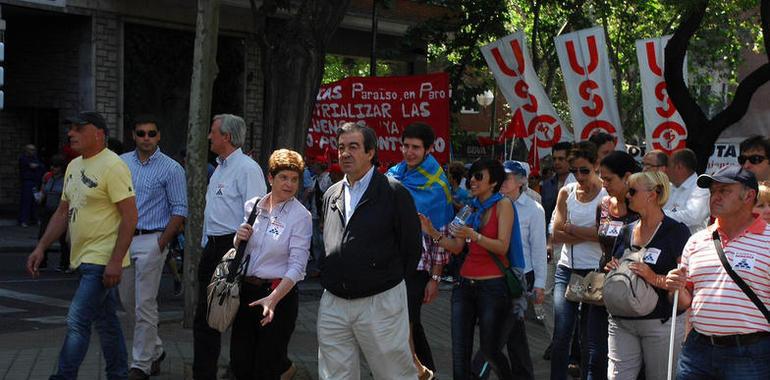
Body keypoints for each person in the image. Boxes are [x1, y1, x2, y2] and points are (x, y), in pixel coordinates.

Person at [26, 111, 138, 379]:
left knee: (77, 321)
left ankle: (62, 376)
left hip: (101, 260)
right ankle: (119, 374)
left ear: (98, 133)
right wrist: (41, 246)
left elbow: (130, 216)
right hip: (82, 257)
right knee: (107, 322)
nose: (70, 133)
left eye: (78, 128)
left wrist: (115, 260)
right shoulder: (74, 166)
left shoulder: (113, 166)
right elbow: (63, 212)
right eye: (70, 129)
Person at [317, 122, 422, 380]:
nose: (345, 153)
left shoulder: (394, 192)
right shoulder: (331, 194)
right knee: (334, 376)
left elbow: (411, 249)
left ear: (371, 152)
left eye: (353, 147)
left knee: (394, 374)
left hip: (380, 302)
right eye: (341, 147)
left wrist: (382, 278)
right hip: (333, 302)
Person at [666, 166, 770, 379]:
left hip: (750, 353)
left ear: (749, 195)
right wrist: (675, 287)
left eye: (724, 191)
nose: (715, 196)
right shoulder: (696, 241)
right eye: (713, 191)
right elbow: (685, 301)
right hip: (698, 350)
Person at [421, 158, 516, 379]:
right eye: (471, 176)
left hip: (492, 286)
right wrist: (433, 232)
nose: (472, 181)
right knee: (459, 350)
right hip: (464, 285)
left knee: (490, 349)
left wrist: (474, 235)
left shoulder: (503, 205)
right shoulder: (469, 207)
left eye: (478, 176)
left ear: (493, 182)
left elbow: (502, 246)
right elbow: (456, 247)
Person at [193, 114, 267, 380]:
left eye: (213, 132)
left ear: (226, 136)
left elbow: (258, 214)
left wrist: (246, 256)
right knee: (206, 318)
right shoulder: (219, 169)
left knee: (232, 316)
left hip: (233, 247)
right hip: (212, 247)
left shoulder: (247, 168)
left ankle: (248, 369)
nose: (209, 137)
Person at [230, 149, 312, 379]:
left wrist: (273, 298)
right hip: (246, 293)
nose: (289, 184)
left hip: (278, 295)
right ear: (270, 178)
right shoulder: (252, 206)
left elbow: (298, 266)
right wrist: (238, 238)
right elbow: (241, 249)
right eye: (283, 177)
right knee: (240, 362)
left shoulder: (301, 216)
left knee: (266, 367)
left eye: (294, 179)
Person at [119, 116, 187, 380]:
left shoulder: (171, 169)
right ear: (133, 135)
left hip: (152, 239)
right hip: (124, 239)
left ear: (158, 136)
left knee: (144, 303)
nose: (146, 138)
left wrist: (161, 243)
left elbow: (180, 209)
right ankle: (156, 349)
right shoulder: (121, 163)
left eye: (151, 133)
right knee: (127, 300)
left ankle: (141, 364)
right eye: (141, 133)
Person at [604, 171, 691, 380]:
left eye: (632, 191)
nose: (627, 196)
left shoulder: (676, 231)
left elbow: (685, 285)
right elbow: (613, 263)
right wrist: (613, 268)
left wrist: (653, 278)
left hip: (660, 323)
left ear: (652, 195)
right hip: (621, 319)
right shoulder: (626, 230)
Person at [386, 122, 453, 380]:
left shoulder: (438, 185)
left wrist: (435, 279)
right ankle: (425, 370)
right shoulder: (393, 176)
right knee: (408, 321)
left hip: (418, 266)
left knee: (406, 320)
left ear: (428, 149)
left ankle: (415, 372)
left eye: (416, 147)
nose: (409, 152)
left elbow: (442, 236)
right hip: (390, 262)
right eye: (405, 146)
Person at [551, 141, 609, 380]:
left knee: (589, 336)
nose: (579, 175)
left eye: (584, 170)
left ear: (596, 165)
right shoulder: (567, 191)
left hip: (594, 271)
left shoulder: (606, 195)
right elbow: (555, 233)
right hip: (567, 269)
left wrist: (572, 229)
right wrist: (589, 233)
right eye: (574, 170)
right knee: (562, 332)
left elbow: (605, 235)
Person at [498, 160, 547, 379]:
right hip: (494, 274)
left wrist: (539, 285)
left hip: (520, 276)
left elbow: (538, 249)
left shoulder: (534, 209)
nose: (502, 182)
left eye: (507, 177)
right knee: (512, 332)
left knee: (507, 331)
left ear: (521, 181)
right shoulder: (494, 203)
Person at [664, 148, 710, 234]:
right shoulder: (670, 187)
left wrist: (660, 216)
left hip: (691, 244)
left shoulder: (700, 189)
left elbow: (693, 216)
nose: (666, 170)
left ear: (679, 167)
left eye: (668, 166)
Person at [37, 154, 70, 272]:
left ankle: (65, 263)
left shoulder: (66, 179)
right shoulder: (48, 177)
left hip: (59, 210)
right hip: (47, 209)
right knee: (42, 235)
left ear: (61, 167)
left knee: (63, 239)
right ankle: (42, 261)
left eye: (56, 166)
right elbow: (43, 190)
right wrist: (40, 196)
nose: (53, 168)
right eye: (52, 166)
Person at [302, 157, 331, 277]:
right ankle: (319, 268)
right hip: (314, 213)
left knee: (323, 242)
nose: (313, 166)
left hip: (323, 216)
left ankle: (325, 268)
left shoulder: (328, 179)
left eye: (315, 164)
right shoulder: (315, 179)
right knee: (316, 242)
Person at [542, 142, 575, 225]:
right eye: (554, 159)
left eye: (561, 159)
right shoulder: (546, 185)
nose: (556, 162)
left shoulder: (579, 183)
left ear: (570, 160)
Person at [19, 143, 45, 227]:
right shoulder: (23, 158)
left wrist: (37, 166)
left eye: (34, 150)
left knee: (35, 201)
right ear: (26, 150)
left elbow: (42, 166)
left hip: (36, 182)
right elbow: (32, 166)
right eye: (31, 149)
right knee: (26, 201)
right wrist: (37, 166)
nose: (33, 151)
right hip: (28, 182)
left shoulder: (35, 158)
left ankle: (35, 219)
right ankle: (24, 220)